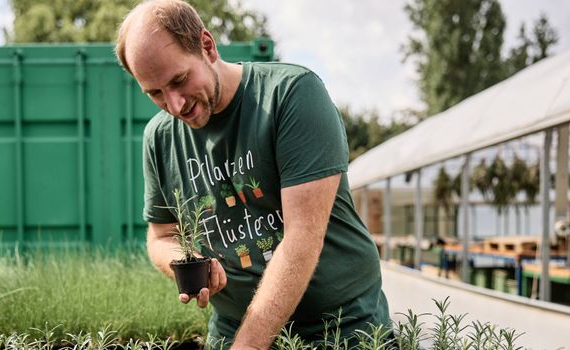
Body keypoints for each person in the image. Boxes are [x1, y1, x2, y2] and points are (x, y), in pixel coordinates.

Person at [115, 1, 390, 348]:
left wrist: (248, 345)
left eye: (180, 80)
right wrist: (184, 262)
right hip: (234, 326)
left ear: (207, 46)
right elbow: (161, 236)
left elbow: (301, 239)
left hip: (339, 327)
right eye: (155, 93)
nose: (175, 105)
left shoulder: (290, 95)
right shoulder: (160, 138)